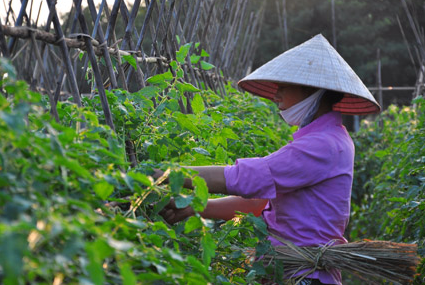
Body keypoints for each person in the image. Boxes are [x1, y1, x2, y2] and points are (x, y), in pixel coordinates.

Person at [155, 34, 380, 285]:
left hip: (305, 276)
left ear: (311, 90)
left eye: (284, 86)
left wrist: (168, 173)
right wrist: (193, 207)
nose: (277, 94)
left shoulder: (322, 145)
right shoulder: (328, 138)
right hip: (297, 272)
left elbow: (246, 178)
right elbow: (261, 204)